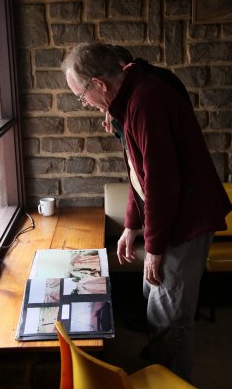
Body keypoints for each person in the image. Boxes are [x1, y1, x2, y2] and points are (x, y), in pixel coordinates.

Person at [61, 42, 232, 382]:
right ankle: (158, 359)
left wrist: (152, 249)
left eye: (82, 96)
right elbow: (137, 173)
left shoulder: (144, 102)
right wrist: (131, 227)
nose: (85, 104)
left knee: (170, 314)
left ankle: (173, 378)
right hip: (172, 213)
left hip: (187, 220)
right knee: (152, 294)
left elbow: (161, 184)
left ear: (100, 84)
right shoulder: (132, 94)